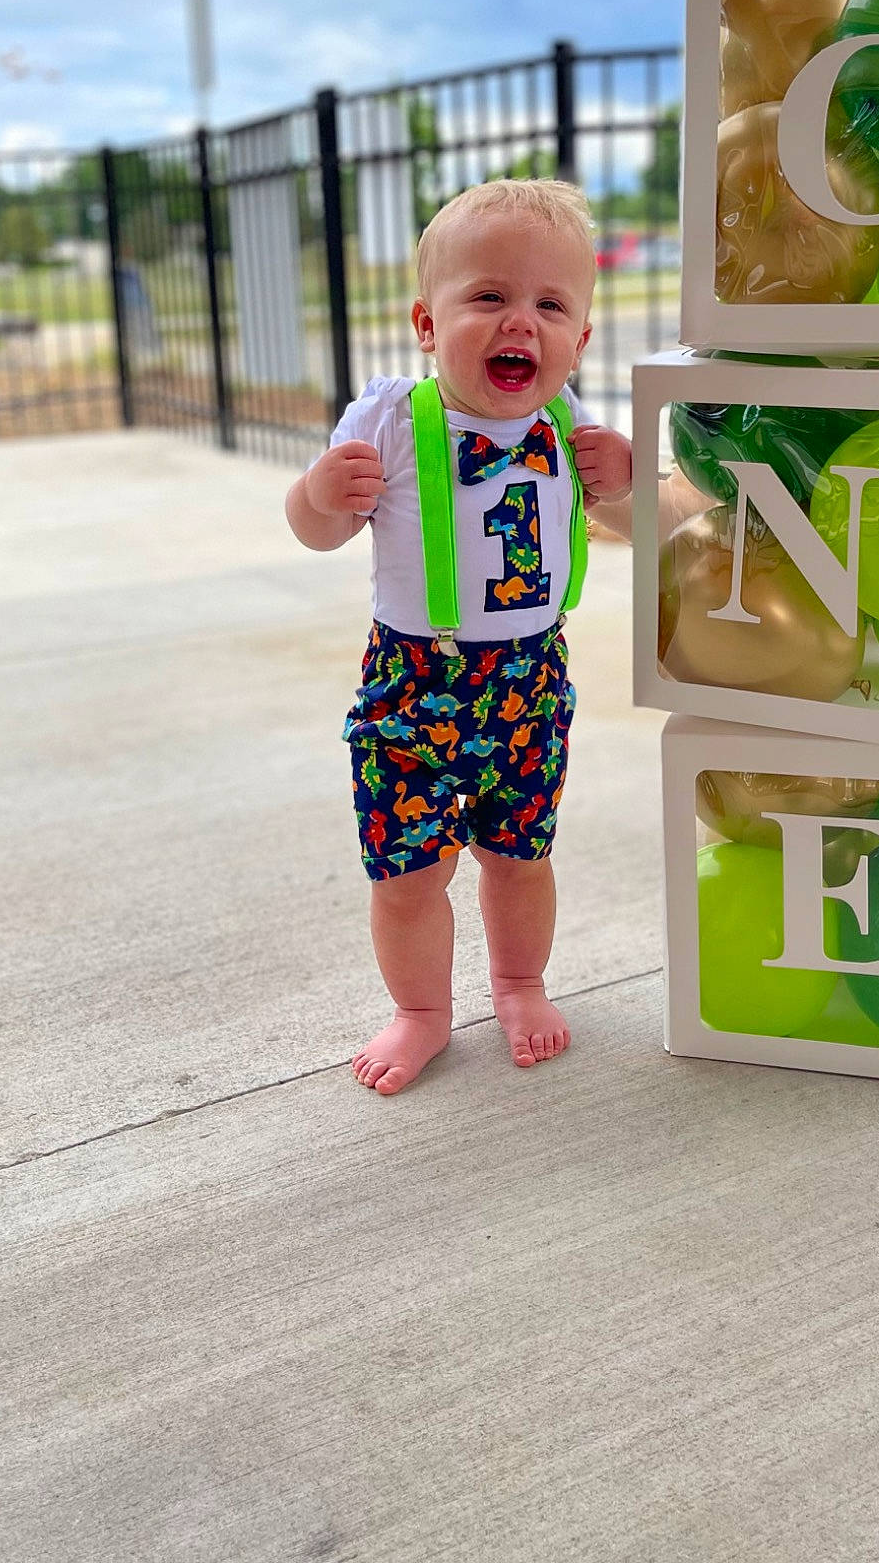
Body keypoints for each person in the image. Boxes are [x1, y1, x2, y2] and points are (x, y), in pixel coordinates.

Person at [286, 179, 633, 1096]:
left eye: (550, 305)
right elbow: (316, 531)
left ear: (580, 340)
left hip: (530, 678)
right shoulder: (395, 420)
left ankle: (521, 983)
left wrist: (627, 485)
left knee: (521, 857)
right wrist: (321, 497)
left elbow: (644, 526)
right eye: (488, 296)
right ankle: (423, 1012)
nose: (521, 321)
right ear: (427, 324)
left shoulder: (570, 433)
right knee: (409, 871)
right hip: (415, 680)